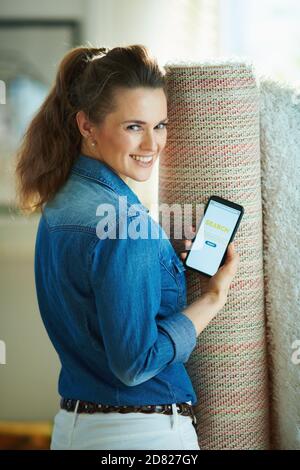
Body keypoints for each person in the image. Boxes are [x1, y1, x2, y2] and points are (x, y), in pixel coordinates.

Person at [15, 44, 240, 450]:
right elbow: (135, 363)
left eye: (161, 125)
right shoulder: (124, 225)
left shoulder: (61, 201)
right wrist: (214, 296)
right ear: (87, 125)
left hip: (73, 428)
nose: (153, 144)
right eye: (134, 126)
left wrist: (158, 254)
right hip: (142, 436)